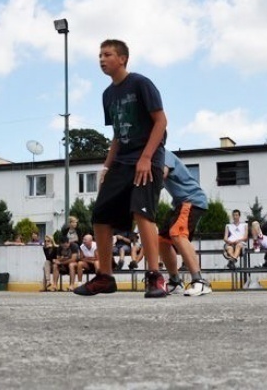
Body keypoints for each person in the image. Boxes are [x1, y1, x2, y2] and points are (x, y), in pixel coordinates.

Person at [74, 39, 168, 298]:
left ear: (123, 58)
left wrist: (147, 157)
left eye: (107, 54)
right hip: (122, 162)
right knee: (100, 215)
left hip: (148, 159)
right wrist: (106, 167)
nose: (102, 59)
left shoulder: (140, 83)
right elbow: (117, 134)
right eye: (99, 55)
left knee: (142, 212)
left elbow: (161, 122)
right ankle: (105, 277)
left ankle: (155, 276)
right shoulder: (108, 95)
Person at [159, 150, 212, 296]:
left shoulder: (163, 153)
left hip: (192, 199)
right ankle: (175, 282)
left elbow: (161, 174)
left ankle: (199, 282)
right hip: (179, 203)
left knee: (177, 234)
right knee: (162, 241)